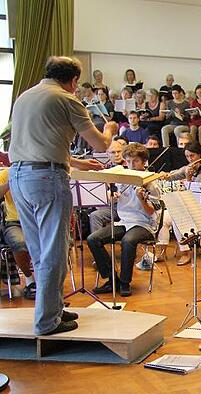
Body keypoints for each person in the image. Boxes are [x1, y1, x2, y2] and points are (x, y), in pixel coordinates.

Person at [10, 56, 115, 335]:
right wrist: (110, 129)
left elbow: (41, 141)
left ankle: (52, 308)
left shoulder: (25, 96)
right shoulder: (66, 99)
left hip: (18, 176)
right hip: (47, 178)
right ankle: (47, 322)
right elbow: (100, 144)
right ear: (73, 81)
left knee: (39, 250)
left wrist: (78, 163)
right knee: (55, 249)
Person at [88, 143, 159, 297]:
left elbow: (151, 211)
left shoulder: (151, 182)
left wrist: (141, 199)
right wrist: (112, 198)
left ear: (143, 162)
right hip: (124, 221)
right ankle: (112, 280)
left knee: (128, 241)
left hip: (144, 224)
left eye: (135, 161)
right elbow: (112, 199)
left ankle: (125, 282)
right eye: (128, 162)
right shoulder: (121, 178)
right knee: (93, 239)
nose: (131, 165)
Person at [0, 167, 36, 299]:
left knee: (49, 243)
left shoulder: (37, 171)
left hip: (37, 220)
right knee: (19, 243)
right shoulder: (6, 173)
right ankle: (30, 279)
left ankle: (46, 281)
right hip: (14, 222)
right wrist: (11, 182)